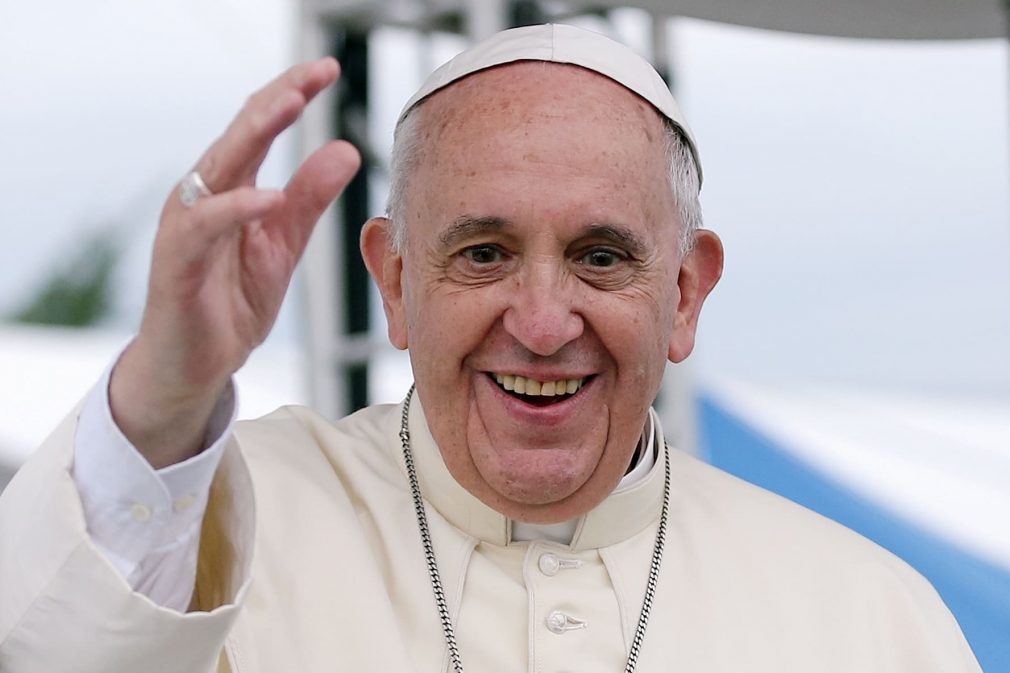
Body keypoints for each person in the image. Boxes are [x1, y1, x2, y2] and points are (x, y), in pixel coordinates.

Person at [0, 24, 981, 673]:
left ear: (683, 293)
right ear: (391, 280)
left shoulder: (868, 617)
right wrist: (164, 396)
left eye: (600, 257)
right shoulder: (213, 525)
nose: (543, 322)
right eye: (483, 252)